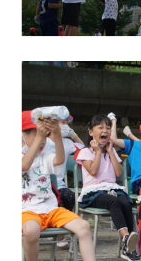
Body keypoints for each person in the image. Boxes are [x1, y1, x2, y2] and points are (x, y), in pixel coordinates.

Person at [21, 111, 95, 261]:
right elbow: (24, 165)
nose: (42, 140)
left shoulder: (44, 155)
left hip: (51, 209)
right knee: (30, 232)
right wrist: (40, 138)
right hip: (27, 211)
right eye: (36, 135)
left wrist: (57, 134)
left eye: (43, 135)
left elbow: (60, 159)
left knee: (84, 226)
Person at [78, 114, 140, 261]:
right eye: (100, 127)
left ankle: (128, 248)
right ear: (91, 132)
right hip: (93, 191)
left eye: (107, 127)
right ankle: (126, 238)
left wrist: (110, 151)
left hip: (112, 188)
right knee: (113, 201)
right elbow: (93, 171)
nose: (104, 130)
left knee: (125, 202)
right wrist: (98, 152)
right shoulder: (85, 152)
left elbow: (118, 173)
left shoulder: (111, 152)